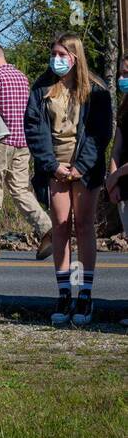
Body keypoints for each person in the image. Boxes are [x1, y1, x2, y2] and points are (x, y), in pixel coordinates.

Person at [24, 32, 112, 328]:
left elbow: (101, 133)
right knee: (60, 226)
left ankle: (85, 293)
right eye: (54, 54)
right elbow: (34, 128)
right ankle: (64, 292)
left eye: (63, 54)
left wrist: (80, 167)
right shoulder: (42, 88)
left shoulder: (96, 89)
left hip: (85, 168)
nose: (57, 59)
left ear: (75, 57)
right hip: (55, 167)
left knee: (84, 225)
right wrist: (52, 166)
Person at [0, 42, 52, 260]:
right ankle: (46, 227)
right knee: (20, 190)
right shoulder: (22, 77)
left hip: (0, 142)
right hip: (23, 142)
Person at [104, 57, 128, 328]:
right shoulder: (124, 107)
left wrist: (117, 175)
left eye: (127, 73)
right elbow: (118, 146)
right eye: (121, 73)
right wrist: (112, 177)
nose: (123, 78)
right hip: (124, 189)